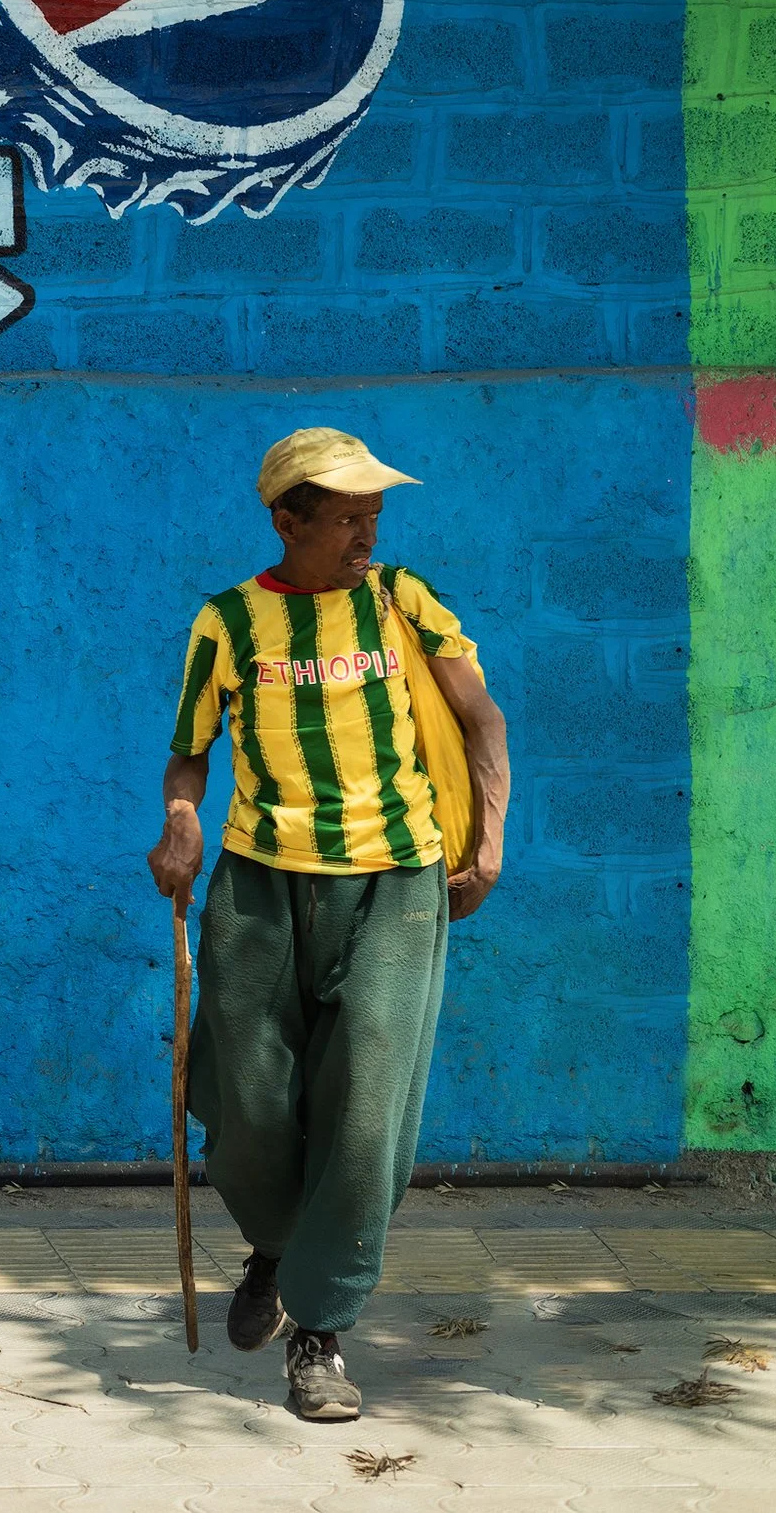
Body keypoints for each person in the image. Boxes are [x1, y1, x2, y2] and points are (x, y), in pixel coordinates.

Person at [145, 427, 510, 1422]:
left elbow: (482, 721)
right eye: (346, 518)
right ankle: (276, 1241)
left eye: (373, 515)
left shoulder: (403, 603)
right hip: (259, 885)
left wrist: (487, 843)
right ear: (286, 522)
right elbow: (187, 757)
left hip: (396, 881)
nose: (365, 533)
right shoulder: (225, 624)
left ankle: (320, 1332)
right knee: (250, 1103)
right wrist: (181, 824)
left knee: (365, 1111)